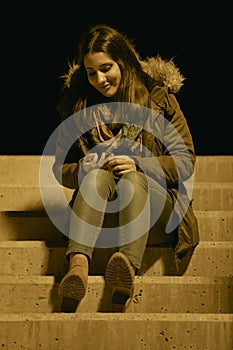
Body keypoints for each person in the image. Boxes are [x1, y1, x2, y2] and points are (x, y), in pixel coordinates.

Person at [52, 23, 199, 312]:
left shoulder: (158, 98)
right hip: (97, 213)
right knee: (94, 177)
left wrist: (141, 163)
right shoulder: (79, 105)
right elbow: (61, 169)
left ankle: (126, 270)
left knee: (133, 178)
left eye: (106, 68)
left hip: (156, 212)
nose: (100, 79)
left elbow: (186, 160)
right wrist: (82, 167)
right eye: (91, 72)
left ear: (124, 61)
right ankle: (78, 267)